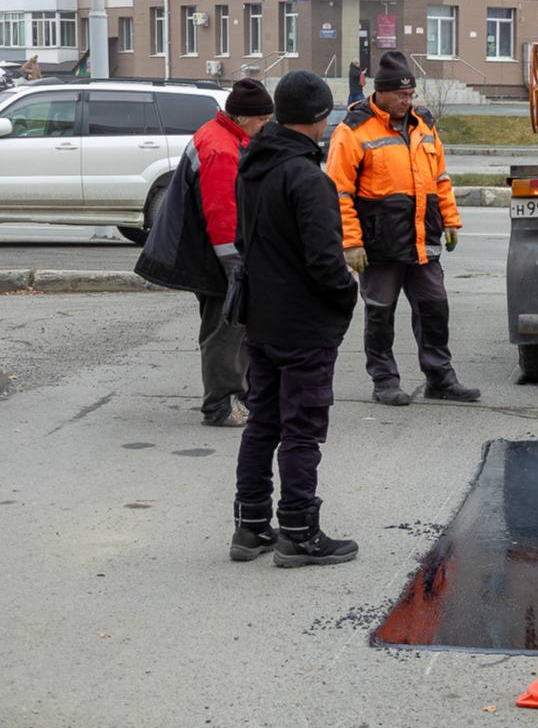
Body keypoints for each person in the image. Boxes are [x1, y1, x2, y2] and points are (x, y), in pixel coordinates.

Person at [229, 70, 359, 567]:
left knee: (262, 421)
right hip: (304, 325)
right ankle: (299, 532)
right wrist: (347, 294)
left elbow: (244, 241)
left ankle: (251, 527)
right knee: (301, 429)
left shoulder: (252, 165)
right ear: (321, 119)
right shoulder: (308, 178)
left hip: (261, 317)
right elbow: (326, 263)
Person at [326, 50, 480, 406]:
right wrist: (351, 243)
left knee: (435, 307)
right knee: (380, 312)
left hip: (423, 239)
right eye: (401, 95)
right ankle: (384, 380)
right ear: (381, 92)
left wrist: (451, 219)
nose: (407, 101)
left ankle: (440, 378)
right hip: (379, 244)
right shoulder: (353, 130)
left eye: (411, 95)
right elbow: (338, 192)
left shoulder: (423, 123)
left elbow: (440, 177)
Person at [135, 78, 275, 426]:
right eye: (262, 121)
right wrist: (237, 268)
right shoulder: (221, 149)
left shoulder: (220, 134)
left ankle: (239, 397)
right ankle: (221, 406)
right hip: (214, 255)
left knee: (231, 326)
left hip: (207, 250)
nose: (266, 127)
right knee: (226, 329)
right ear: (243, 118)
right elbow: (222, 214)